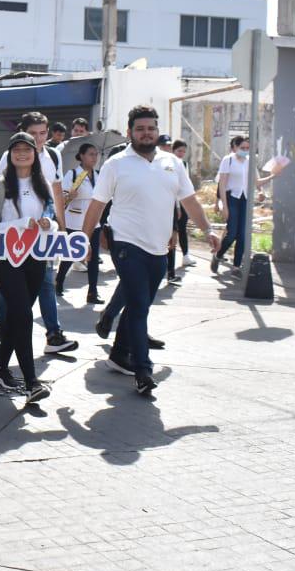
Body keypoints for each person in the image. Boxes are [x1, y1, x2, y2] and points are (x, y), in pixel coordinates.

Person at [83, 105, 219, 395]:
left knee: (136, 304)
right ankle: (143, 370)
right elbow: (96, 205)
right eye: (141, 128)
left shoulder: (172, 163)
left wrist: (208, 230)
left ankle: (119, 355)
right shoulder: (116, 164)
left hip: (159, 249)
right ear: (131, 132)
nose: (147, 133)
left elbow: (190, 201)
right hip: (125, 243)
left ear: (157, 131)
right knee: (140, 307)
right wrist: (83, 241)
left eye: (151, 128)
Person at [0, 132, 57, 411]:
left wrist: (49, 225)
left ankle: (1, 368)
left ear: (35, 154)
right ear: (9, 155)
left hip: (36, 258)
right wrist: (20, 224)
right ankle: (31, 383)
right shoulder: (0, 185)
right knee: (24, 315)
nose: (22, 153)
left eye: (27, 149)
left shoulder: (43, 185)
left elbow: (53, 219)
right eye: (16, 149)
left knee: (17, 317)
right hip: (6, 260)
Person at [0, 111, 77, 354]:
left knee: (46, 281)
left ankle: (53, 334)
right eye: (33, 134)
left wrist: (60, 225)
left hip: (43, 232)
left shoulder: (53, 155)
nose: (39, 139)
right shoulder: (8, 156)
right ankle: (0, 325)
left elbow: (56, 191)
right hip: (13, 232)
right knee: (6, 285)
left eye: (43, 133)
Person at [55, 139, 101, 304]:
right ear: (81, 156)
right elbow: (62, 199)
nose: (94, 158)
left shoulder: (98, 175)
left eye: (96, 155)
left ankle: (93, 292)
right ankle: (59, 281)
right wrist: (69, 195)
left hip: (93, 221)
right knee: (70, 255)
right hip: (74, 221)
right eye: (90, 154)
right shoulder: (73, 174)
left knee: (93, 258)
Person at [212, 135, 250, 272]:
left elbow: (255, 181)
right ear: (235, 147)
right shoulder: (228, 160)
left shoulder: (249, 161)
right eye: (242, 148)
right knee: (232, 233)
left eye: (247, 148)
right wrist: (224, 206)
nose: (245, 150)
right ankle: (218, 254)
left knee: (242, 235)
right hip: (232, 198)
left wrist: (271, 177)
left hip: (245, 199)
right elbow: (221, 185)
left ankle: (236, 266)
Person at [168, 140, 196, 276]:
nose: (181, 154)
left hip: (183, 202)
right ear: (173, 150)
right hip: (172, 202)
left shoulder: (184, 165)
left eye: (184, 152)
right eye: (179, 151)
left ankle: (185, 255)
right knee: (170, 230)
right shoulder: (168, 164)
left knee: (182, 229)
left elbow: (186, 187)